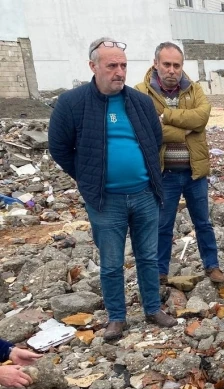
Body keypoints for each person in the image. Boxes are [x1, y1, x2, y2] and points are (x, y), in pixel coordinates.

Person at [49, 38, 177, 342]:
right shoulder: (73, 103)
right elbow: (59, 147)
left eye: (123, 65)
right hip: (106, 200)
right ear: (93, 66)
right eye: (112, 66)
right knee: (111, 263)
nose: (119, 72)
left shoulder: (140, 101)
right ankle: (117, 318)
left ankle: (152, 308)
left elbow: (154, 139)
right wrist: (88, 176)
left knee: (148, 256)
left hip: (145, 194)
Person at [136, 42, 224, 285]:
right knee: (163, 224)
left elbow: (201, 118)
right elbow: (147, 130)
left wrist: (166, 117)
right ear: (156, 64)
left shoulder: (194, 89)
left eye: (177, 65)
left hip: (194, 171)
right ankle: (160, 271)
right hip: (163, 174)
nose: (172, 70)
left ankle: (212, 266)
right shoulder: (141, 92)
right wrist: (184, 130)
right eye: (166, 64)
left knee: (203, 222)